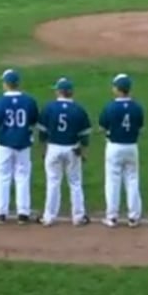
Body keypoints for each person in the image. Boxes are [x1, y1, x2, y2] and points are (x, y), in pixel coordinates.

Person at [0, 68, 38, 224]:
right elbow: (34, 120)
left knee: (3, 177)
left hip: (3, 144)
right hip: (23, 143)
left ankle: (1, 213)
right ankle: (23, 213)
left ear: (6, 84)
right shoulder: (29, 101)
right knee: (22, 177)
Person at [39, 77, 90, 227]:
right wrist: (84, 151)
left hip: (53, 148)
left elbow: (42, 133)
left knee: (53, 182)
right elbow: (84, 136)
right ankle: (78, 217)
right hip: (72, 149)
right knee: (75, 182)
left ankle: (48, 217)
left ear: (58, 92)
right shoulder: (79, 109)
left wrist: (44, 150)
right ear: (71, 92)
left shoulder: (49, 108)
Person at [98, 74, 144, 228]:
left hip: (114, 147)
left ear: (118, 89)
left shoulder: (110, 107)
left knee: (112, 181)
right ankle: (134, 217)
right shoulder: (137, 107)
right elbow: (140, 128)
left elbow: (102, 127)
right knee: (132, 180)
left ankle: (112, 217)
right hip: (132, 146)